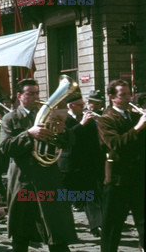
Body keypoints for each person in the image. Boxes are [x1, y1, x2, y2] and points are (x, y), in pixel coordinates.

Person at [0, 78, 76, 252]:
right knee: (21, 233)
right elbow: (6, 147)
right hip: (23, 180)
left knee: (56, 230)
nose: (35, 97)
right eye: (30, 93)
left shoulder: (48, 115)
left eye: (37, 93)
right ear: (19, 96)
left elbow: (69, 142)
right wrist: (29, 134)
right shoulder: (10, 118)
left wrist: (62, 130)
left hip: (48, 178)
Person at [97, 79, 145, 251]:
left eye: (128, 93)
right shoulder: (105, 120)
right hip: (117, 178)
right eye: (122, 95)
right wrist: (138, 128)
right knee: (113, 224)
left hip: (138, 177)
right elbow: (115, 144)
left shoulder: (134, 116)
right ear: (111, 97)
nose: (128, 98)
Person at [63, 93, 103, 237]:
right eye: (80, 105)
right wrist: (81, 125)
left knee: (90, 195)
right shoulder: (62, 119)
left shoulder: (88, 119)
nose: (83, 107)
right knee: (65, 197)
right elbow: (64, 138)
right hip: (69, 164)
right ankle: (65, 228)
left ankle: (97, 226)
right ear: (70, 105)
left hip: (87, 163)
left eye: (83, 104)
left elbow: (94, 141)